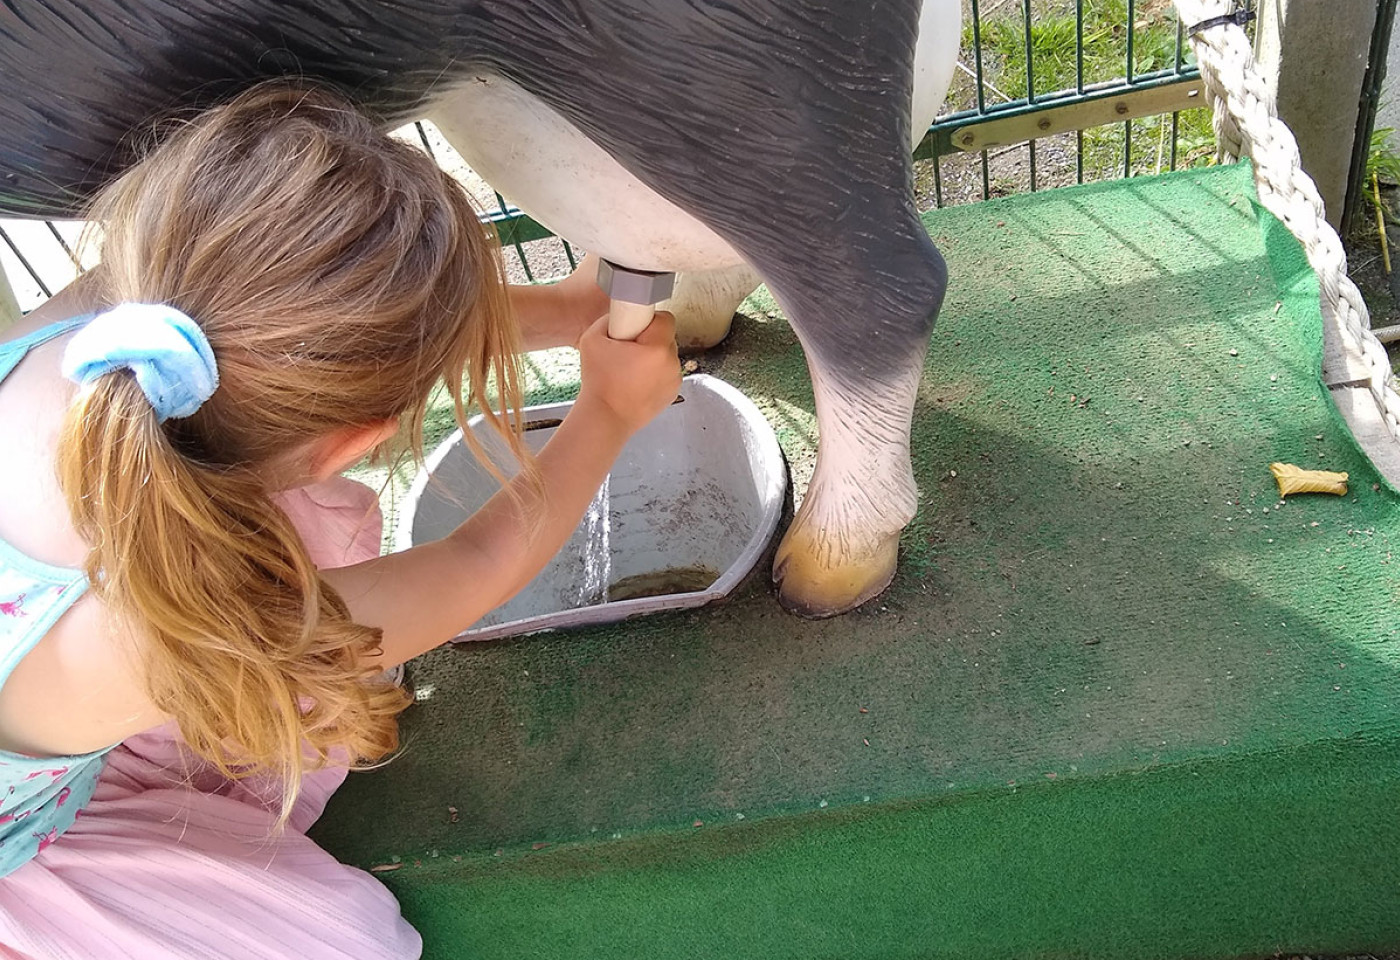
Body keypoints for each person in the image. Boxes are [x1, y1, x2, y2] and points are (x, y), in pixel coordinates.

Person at [0, 84, 681, 958]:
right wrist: (609, 416)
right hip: (22, 853)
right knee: (346, 943)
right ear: (358, 442)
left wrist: (575, 313)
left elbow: (310, 329)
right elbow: (475, 564)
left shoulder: (132, 306)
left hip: (59, 671)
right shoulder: (173, 634)